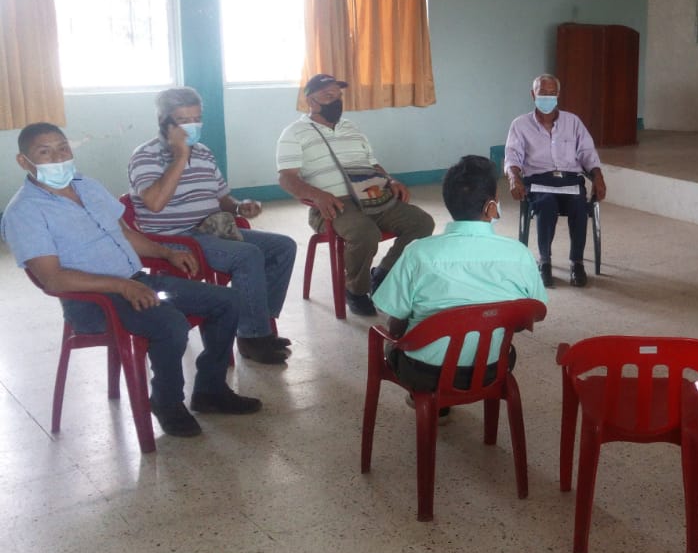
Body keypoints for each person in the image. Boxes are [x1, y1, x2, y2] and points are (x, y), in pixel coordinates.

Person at [2, 123, 262, 438]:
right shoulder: (24, 212)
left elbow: (125, 234)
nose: (58, 158)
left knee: (227, 301)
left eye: (63, 148)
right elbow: (53, 279)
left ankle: (210, 390)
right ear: (24, 161)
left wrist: (166, 253)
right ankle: (167, 402)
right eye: (45, 152)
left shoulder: (87, 185)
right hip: (92, 303)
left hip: (136, 281)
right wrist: (121, 286)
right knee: (170, 323)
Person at [128, 87, 297, 364]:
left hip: (212, 229)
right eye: (183, 120)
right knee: (247, 255)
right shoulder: (145, 156)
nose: (192, 126)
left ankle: (259, 324)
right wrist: (180, 156)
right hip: (175, 238)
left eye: (197, 119)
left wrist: (239, 206)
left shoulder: (204, 153)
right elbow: (155, 203)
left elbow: (221, 198)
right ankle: (253, 337)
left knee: (283, 247)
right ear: (164, 122)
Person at [372, 155, 547, 395]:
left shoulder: (418, 253)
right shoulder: (519, 254)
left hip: (424, 373)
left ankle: (432, 403)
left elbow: (396, 324)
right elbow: (533, 314)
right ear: (491, 206)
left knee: (393, 343)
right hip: (491, 369)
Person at [276, 74, 435, 317]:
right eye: (328, 95)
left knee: (422, 222)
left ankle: (383, 273)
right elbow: (286, 178)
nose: (336, 101)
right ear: (310, 101)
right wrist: (317, 196)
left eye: (338, 96)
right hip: (332, 204)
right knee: (365, 233)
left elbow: (373, 164)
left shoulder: (351, 128)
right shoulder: (294, 132)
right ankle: (356, 290)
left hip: (372, 195)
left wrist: (391, 180)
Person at [504, 74, 607, 288]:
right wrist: (514, 178)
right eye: (542, 93)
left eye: (552, 93)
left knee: (579, 205)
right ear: (533, 94)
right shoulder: (520, 124)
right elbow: (512, 156)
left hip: (569, 180)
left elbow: (587, 153)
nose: (547, 98)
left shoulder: (573, 122)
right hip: (539, 180)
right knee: (546, 204)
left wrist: (598, 176)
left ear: (558, 95)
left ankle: (577, 262)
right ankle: (545, 262)